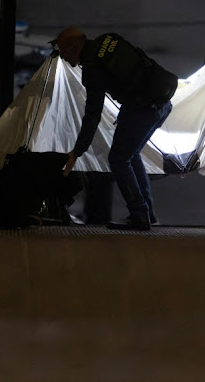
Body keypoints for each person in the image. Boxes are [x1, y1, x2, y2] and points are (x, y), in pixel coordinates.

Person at [55, 27, 177, 230]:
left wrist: (77, 151)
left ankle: (139, 214)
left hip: (142, 109)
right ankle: (147, 212)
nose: (63, 57)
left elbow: (92, 115)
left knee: (118, 160)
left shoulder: (92, 67)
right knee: (131, 155)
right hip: (161, 103)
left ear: (74, 47)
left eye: (63, 52)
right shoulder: (106, 40)